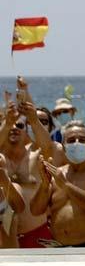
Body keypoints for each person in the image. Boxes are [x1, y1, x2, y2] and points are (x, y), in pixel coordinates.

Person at [43, 122, 85, 247]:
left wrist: (66, 185)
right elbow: (36, 210)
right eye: (71, 140)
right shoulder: (58, 173)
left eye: (82, 140)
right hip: (59, 247)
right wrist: (43, 185)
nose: (77, 143)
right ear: (63, 146)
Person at [3, 101, 52, 248]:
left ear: (27, 130)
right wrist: (7, 122)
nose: (14, 128)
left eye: (19, 125)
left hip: (36, 234)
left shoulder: (36, 156)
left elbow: (47, 145)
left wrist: (34, 120)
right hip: (5, 237)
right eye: (10, 125)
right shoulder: (1, 160)